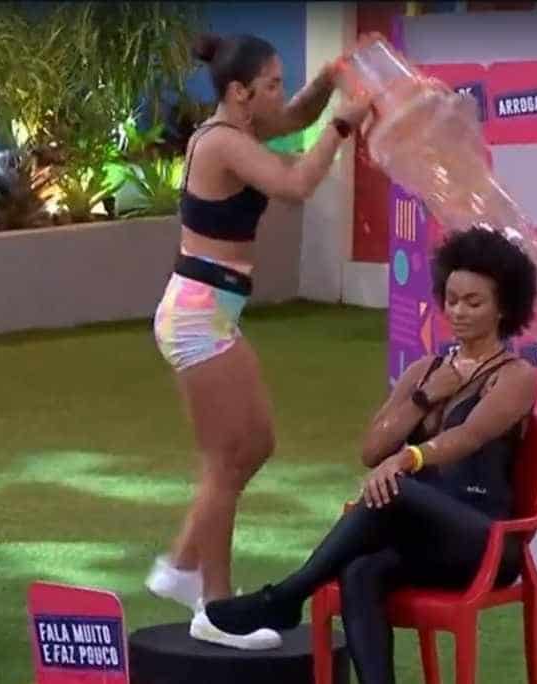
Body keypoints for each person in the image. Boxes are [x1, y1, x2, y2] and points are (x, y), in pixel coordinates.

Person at [201, 227, 537, 682]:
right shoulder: (426, 370)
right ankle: (294, 608)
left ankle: (286, 596)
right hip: (426, 540)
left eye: (473, 303)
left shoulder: (515, 377)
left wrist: (407, 459)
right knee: (361, 572)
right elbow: (371, 449)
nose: (458, 311)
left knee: (396, 486)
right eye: (452, 299)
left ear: (504, 308)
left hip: (486, 542)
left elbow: (469, 436)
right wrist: (424, 396)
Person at [146, 31, 375, 650]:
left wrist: (327, 80)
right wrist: (343, 125)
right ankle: (215, 609)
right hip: (197, 317)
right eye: (271, 84)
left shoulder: (244, 127)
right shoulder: (223, 142)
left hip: (212, 312)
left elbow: (296, 116)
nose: (281, 92)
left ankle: (181, 565)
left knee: (256, 446)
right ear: (239, 92)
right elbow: (296, 184)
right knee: (228, 461)